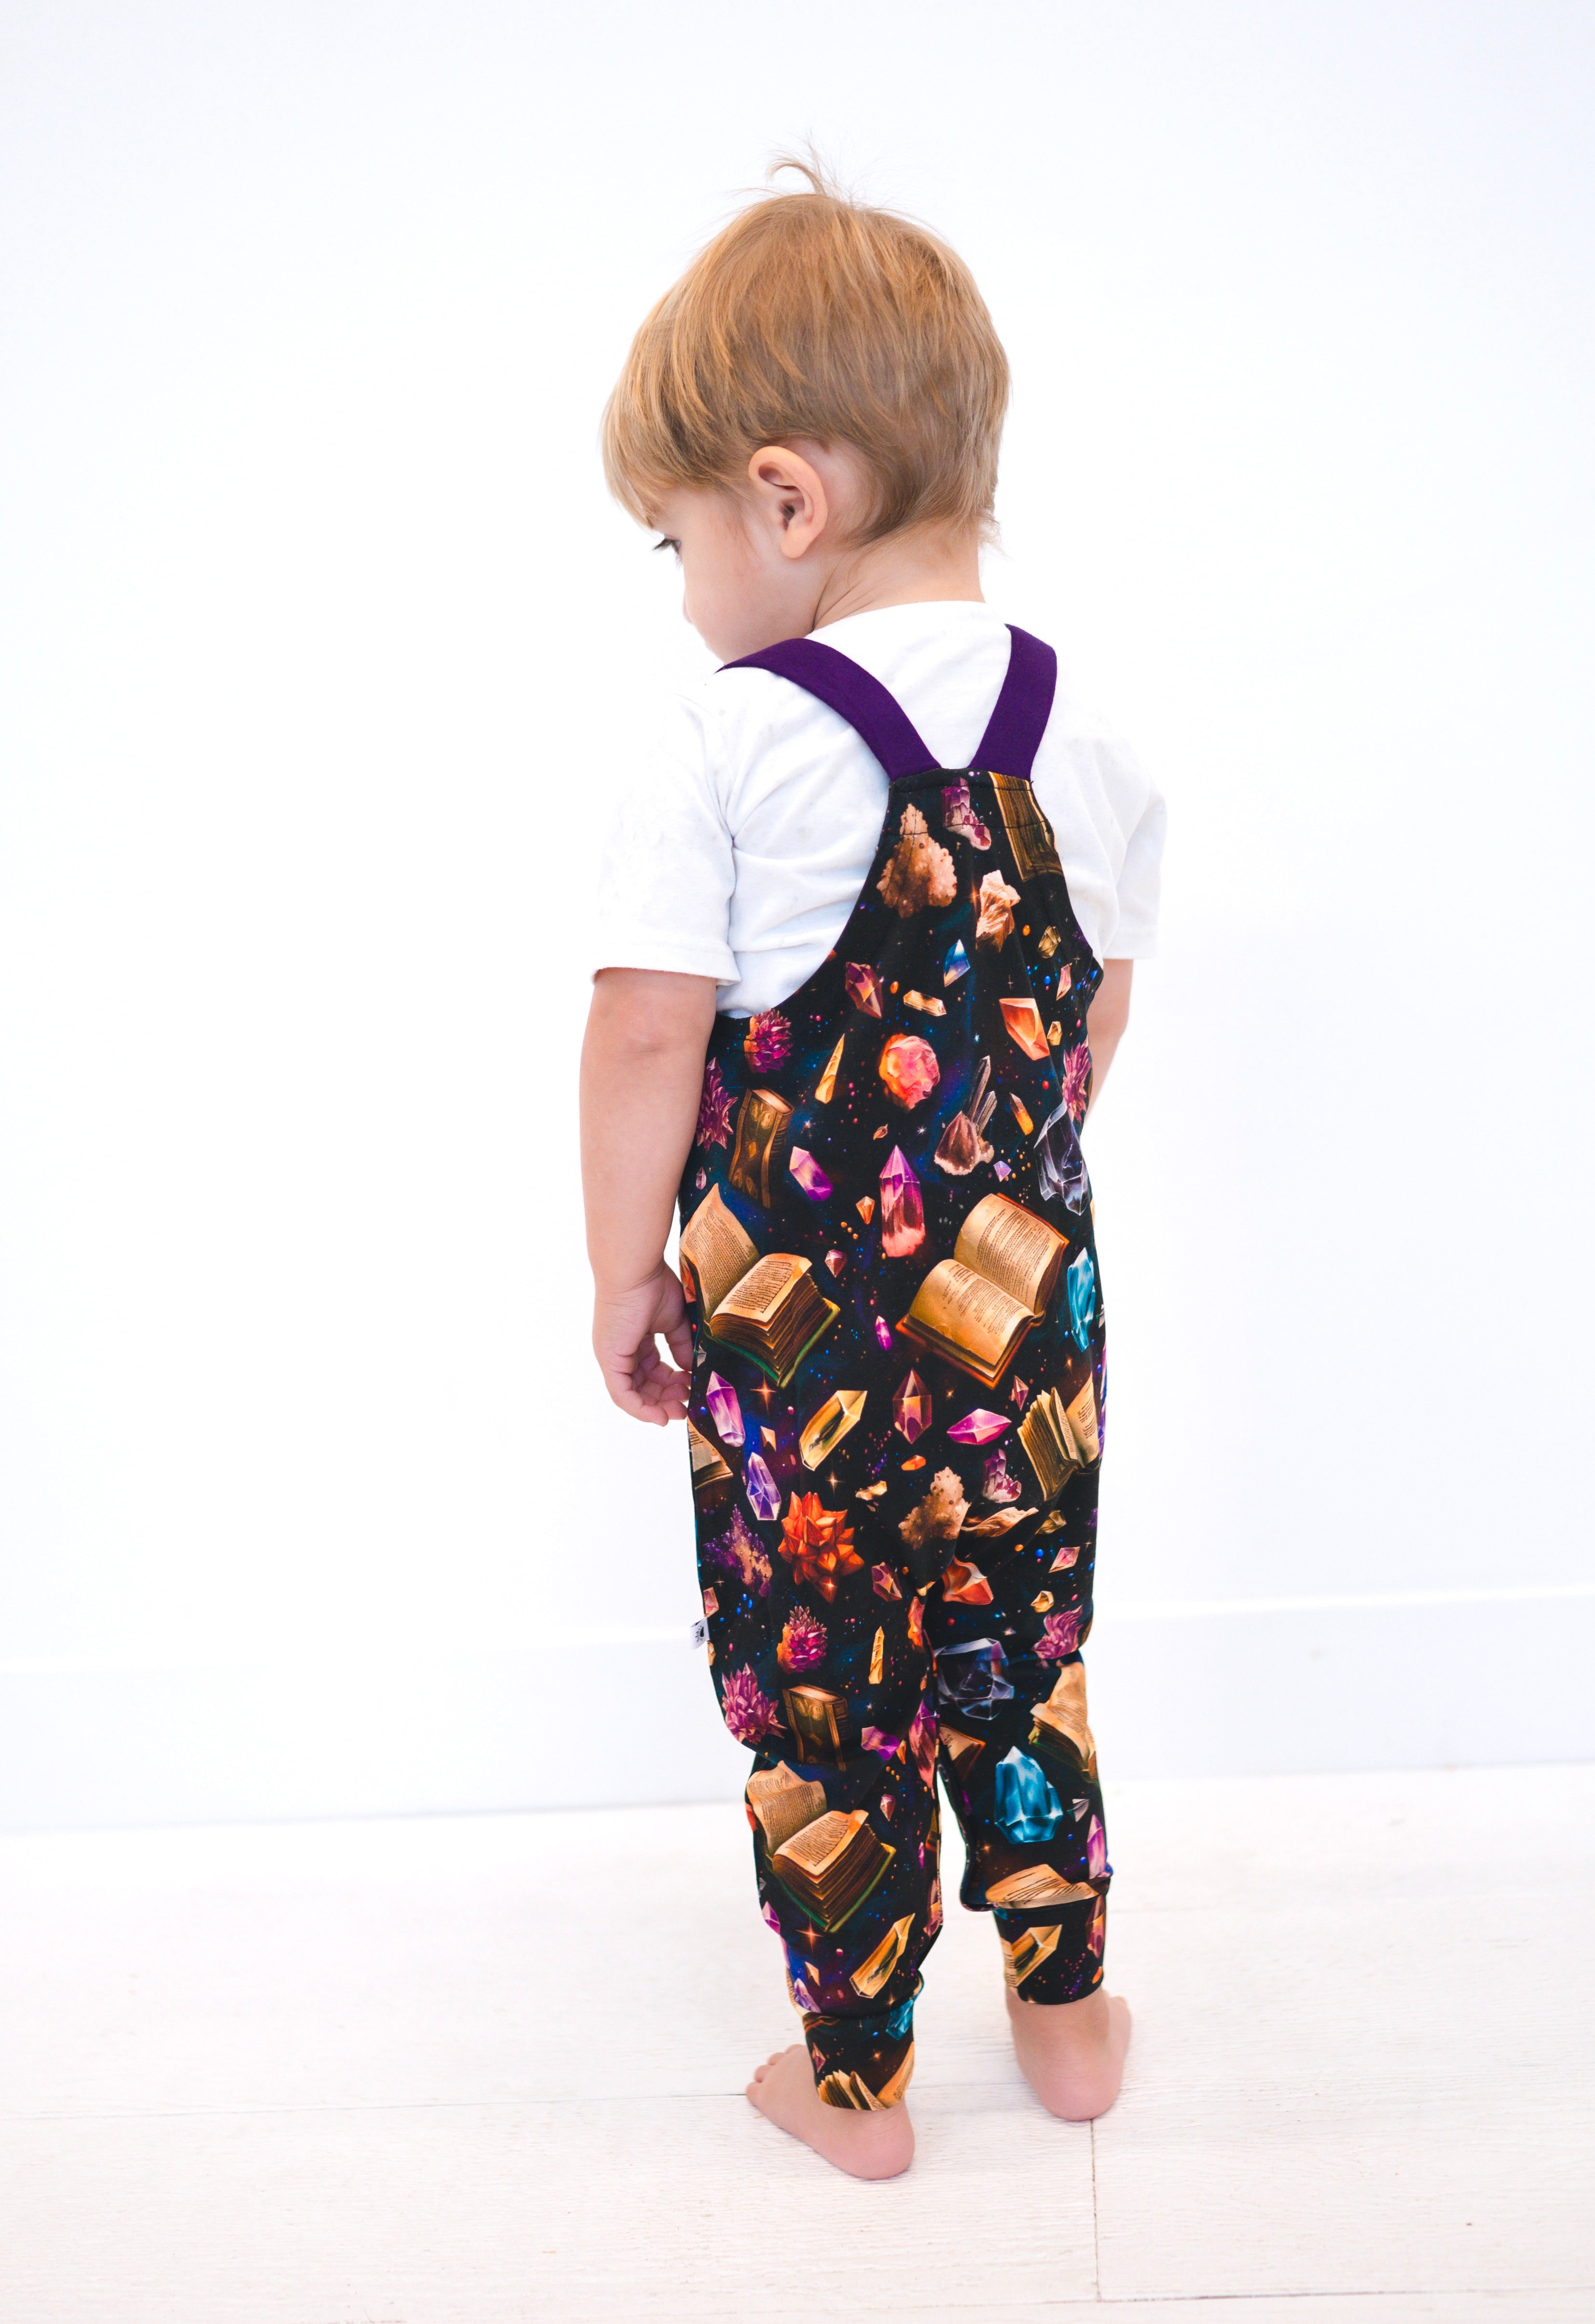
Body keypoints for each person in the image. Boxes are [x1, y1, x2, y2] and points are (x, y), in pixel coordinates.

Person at [581, 163, 1164, 2179]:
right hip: (1028, 1334)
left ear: (784, 502)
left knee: (827, 1700)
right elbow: (1089, 1018)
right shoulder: (1088, 733)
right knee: (1022, 1658)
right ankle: (1067, 2016)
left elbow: (645, 1031)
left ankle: (855, 2087)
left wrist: (622, 1274)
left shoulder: (727, 742)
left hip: (792, 1346)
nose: (683, 593)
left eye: (674, 543)